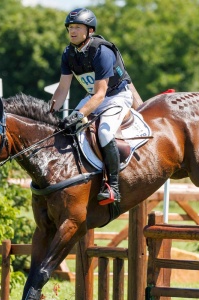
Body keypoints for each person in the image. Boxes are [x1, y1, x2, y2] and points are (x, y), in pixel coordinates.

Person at [50, 8, 140, 205]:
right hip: (93, 96)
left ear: (89, 30)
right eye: (70, 27)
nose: (72, 31)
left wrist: (80, 113)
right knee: (67, 130)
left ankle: (113, 186)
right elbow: (63, 88)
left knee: (105, 133)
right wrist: (49, 112)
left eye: (77, 27)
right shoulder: (69, 53)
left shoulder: (101, 51)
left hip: (116, 96)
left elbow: (101, 94)